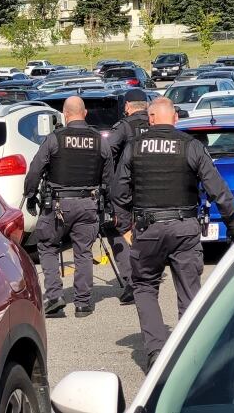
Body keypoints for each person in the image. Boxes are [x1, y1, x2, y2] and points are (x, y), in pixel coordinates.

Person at [113, 97, 234, 371]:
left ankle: (157, 352)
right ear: (176, 119)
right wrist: (232, 227)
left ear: (151, 119)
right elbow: (218, 190)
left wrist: (123, 227)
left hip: (147, 228)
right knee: (189, 290)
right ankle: (189, 354)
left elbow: (118, 191)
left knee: (144, 287)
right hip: (184, 228)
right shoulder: (190, 146)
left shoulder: (134, 147)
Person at [23, 96, 114, 318]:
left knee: (48, 246)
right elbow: (109, 176)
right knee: (83, 251)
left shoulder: (55, 139)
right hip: (88, 203)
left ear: (64, 114)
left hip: (57, 205)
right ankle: (83, 304)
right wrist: (108, 204)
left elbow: (35, 169)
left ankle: (54, 297)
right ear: (85, 113)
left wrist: (30, 194)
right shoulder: (99, 140)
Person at [105, 88, 150, 305]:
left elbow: (107, 152)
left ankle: (131, 280)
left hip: (126, 189)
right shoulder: (154, 124)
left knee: (117, 230)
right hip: (151, 189)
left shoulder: (124, 127)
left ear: (127, 107)